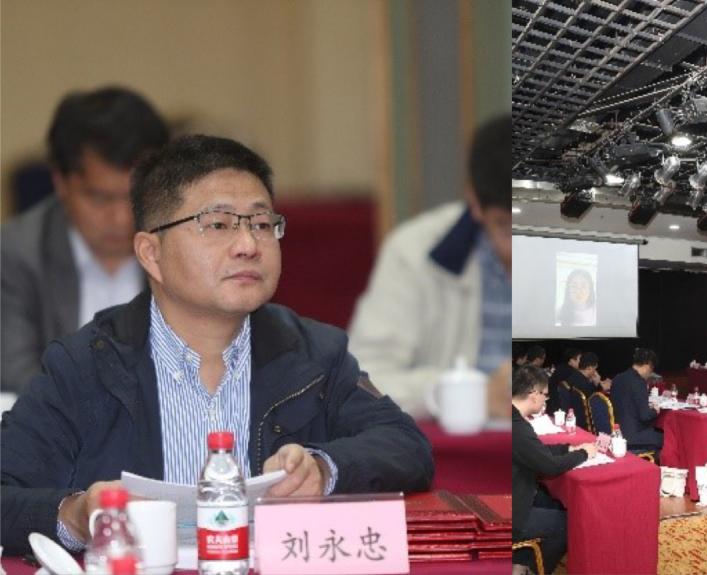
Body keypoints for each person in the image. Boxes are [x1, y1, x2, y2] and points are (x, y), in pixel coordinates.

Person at [0, 135, 434, 555]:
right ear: (151, 253)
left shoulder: (313, 353)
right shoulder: (86, 365)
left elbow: (404, 445)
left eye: (261, 224)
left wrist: (323, 469)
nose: (248, 245)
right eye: (218, 224)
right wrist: (77, 515)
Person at [2, 87, 170, 394]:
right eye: (100, 198)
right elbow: (15, 375)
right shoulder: (16, 252)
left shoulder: (182, 242)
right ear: (61, 183)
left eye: (135, 195)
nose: (122, 218)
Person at [348, 115, 511, 420]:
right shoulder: (414, 252)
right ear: (474, 202)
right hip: (467, 442)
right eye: (505, 227)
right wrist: (467, 394)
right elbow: (361, 376)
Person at [512, 365, 595, 574]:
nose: (546, 401)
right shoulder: (517, 427)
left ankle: (520, 561)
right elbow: (550, 466)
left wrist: (567, 448)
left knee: (555, 503)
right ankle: (532, 568)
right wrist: (584, 453)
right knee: (568, 523)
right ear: (533, 394)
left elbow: (535, 450)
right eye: (545, 395)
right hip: (511, 512)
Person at [610, 348, 663, 452]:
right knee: (668, 439)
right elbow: (645, 416)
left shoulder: (618, 378)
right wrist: (655, 411)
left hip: (617, 432)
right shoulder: (639, 382)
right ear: (648, 365)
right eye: (652, 369)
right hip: (633, 436)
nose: (650, 373)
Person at [546, 348, 581, 415]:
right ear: (571, 360)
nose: (582, 362)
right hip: (560, 410)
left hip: (552, 406)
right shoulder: (571, 373)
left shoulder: (561, 367)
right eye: (580, 359)